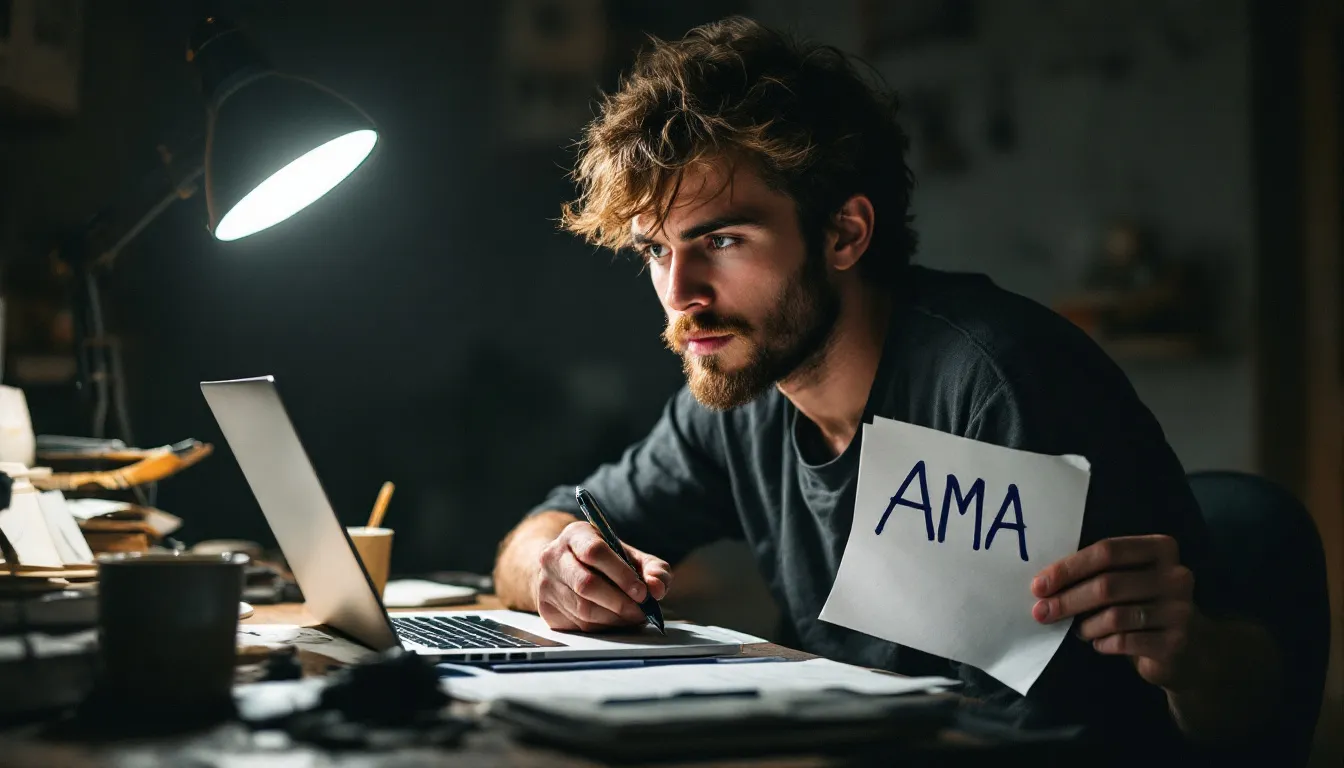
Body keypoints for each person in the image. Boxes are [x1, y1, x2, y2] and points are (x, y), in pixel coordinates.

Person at [492, 16, 1280, 747]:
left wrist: (1194, 657)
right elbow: (547, 525)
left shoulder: (997, 384)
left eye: (722, 239)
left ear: (845, 232)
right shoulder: (744, 382)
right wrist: (557, 566)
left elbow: (1221, 713)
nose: (680, 293)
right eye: (655, 251)